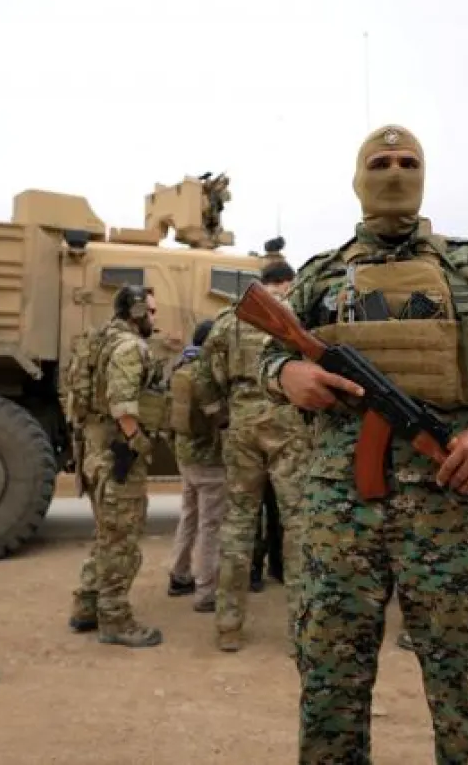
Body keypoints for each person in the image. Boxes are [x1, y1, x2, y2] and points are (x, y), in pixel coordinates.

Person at [258, 123, 468, 763]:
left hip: (449, 501)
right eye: (380, 162)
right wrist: (286, 374)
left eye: (407, 162)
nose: (394, 172)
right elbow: (266, 352)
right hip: (340, 511)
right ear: (357, 178)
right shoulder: (321, 275)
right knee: (330, 685)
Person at [195, 259, 309, 654]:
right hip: (286, 420)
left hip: (241, 424)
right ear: (286, 283)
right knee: (297, 524)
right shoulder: (293, 316)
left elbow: (203, 378)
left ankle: (228, 626)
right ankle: (300, 632)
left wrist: (221, 416)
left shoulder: (228, 320)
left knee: (238, 523)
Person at [67, 285, 169, 648]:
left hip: (95, 450)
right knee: (122, 541)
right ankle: (115, 619)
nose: (155, 319)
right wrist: (138, 442)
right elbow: (123, 405)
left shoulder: (99, 340)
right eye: (151, 312)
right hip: (117, 454)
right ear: (137, 312)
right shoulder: (128, 347)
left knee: (107, 534)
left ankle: (86, 605)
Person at [164, 319, 229, 613]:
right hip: (209, 459)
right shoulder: (207, 373)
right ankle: (206, 592)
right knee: (210, 525)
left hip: (185, 455)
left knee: (188, 516)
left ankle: (179, 575)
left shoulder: (180, 366)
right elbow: (218, 417)